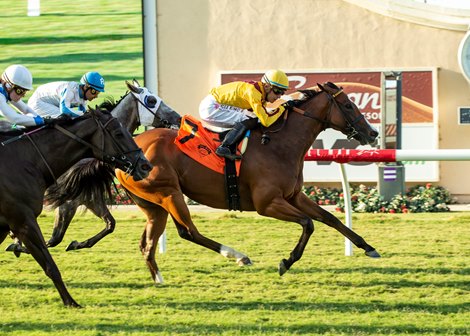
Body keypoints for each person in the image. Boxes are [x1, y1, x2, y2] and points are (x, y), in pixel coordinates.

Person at [199, 69, 290, 160]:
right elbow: (266, 121)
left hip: (215, 104)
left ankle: (226, 140)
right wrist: (283, 107)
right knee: (252, 118)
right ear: (267, 86)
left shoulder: (260, 94)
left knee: (253, 118)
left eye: (282, 92)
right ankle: (224, 147)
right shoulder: (254, 93)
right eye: (277, 91)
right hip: (212, 106)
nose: (279, 96)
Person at [28, 71, 105, 118]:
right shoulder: (70, 89)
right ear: (85, 87)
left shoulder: (83, 98)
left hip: (50, 103)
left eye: (98, 93)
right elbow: (64, 111)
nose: (96, 96)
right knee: (64, 117)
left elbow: (84, 116)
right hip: (38, 102)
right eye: (94, 92)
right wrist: (85, 114)